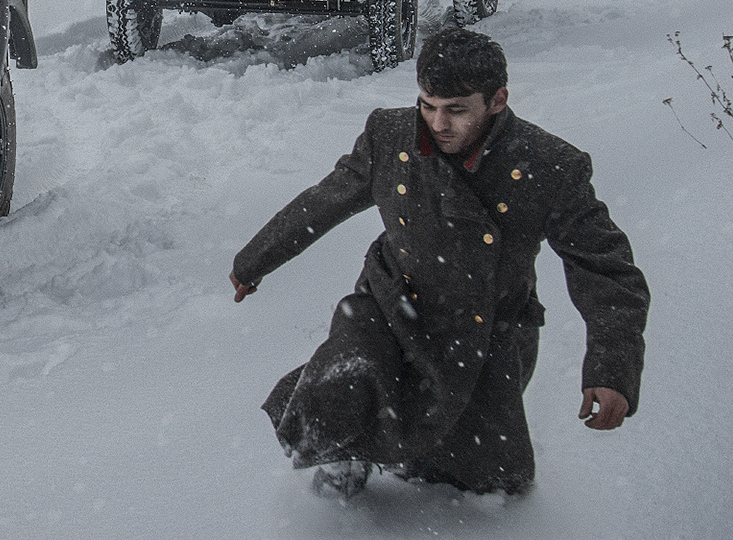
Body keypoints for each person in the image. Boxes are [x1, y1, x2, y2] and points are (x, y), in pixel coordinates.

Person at [229, 27, 648, 497]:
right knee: (341, 385)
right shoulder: (390, 136)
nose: (438, 122)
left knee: (473, 476)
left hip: (484, 328)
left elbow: (606, 271)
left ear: (497, 100)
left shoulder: (549, 165)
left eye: (456, 110)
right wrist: (253, 261)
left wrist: (612, 371)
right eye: (427, 105)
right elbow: (325, 201)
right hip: (390, 301)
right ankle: (341, 475)